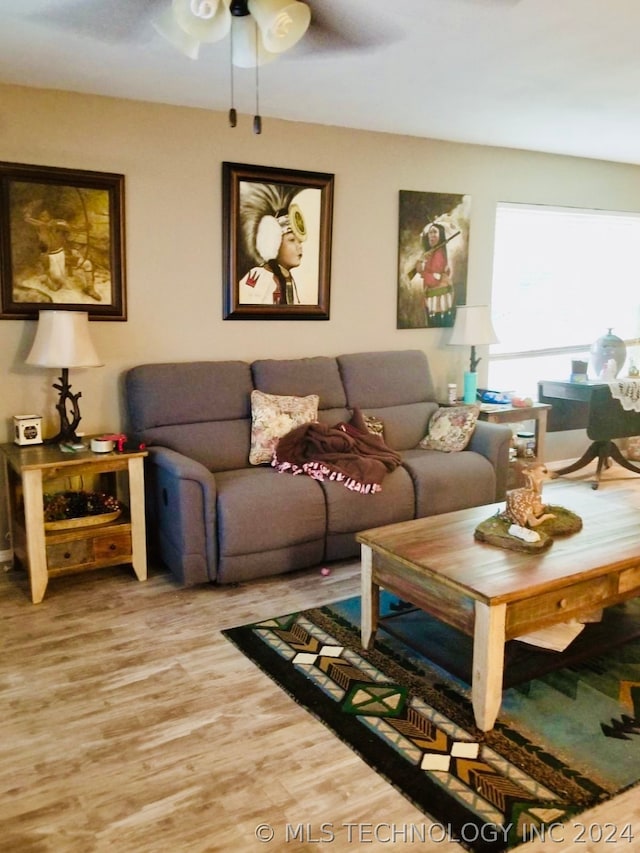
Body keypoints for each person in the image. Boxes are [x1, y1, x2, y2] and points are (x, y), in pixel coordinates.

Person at [238, 184, 308, 305]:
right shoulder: (258, 275)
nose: (299, 246)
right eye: (291, 240)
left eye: (299, 241)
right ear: (273, 243)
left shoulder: (288, 278)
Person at [417, 222, 454, 326]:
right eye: (430, 232)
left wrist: (423, 273)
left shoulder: (439, 254)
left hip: (438, 302)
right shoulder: (431, 253)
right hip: (432, 299)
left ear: (440, 235)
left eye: (435, 232)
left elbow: (434, 280)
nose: (432, 235)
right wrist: (421, 260)